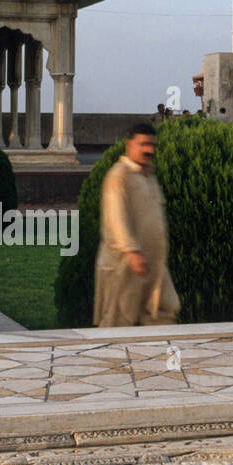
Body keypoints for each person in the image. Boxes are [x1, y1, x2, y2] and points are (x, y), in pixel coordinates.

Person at [94, 122, 180, 327]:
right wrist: (132, 251)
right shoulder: (119, 175)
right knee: (117, 325)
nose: (149, 150)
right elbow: (116, 217)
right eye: (143, 144)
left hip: (153, 267)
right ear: (129, 144)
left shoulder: (148, 176)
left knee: (164, 315)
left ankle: (160, 358)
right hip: (124, 265)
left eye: (151, 145)